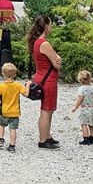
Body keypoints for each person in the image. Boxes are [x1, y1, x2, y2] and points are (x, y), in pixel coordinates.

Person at [30, 14, 62, 150]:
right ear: (46, 26)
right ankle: (43, 140)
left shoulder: (36, 42)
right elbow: (57, 64)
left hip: (41, 76)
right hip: (47, 80)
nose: (52, 26)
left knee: (48, 109)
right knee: (46, 110)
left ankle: (47, 136)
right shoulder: (45, 43)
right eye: (51, 24)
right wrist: (58, 59)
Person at [0, 63, 29, 153]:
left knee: (1, 125)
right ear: (15, 75)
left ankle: (0, 140)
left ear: (2, 74)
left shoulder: (1, 86)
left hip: (4, 111)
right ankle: (12, 146)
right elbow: (26, 94)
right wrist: (28, 85)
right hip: (15, 112)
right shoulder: (18, 85)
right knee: (13, 129)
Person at [71, 70, 93, 145]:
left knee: (84, 124)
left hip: (85, 109)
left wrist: (75, 107)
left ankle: (86, 139)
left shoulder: (81, 89)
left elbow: (80, 98)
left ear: (80, 79)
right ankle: (92, 139)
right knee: (91, 125)